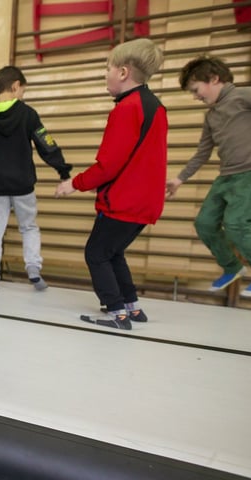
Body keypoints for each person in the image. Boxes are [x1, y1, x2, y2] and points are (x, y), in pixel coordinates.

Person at [55, 38, 167, 330]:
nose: (106, 75)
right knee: (112, 252)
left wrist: (74, 184)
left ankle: (116, 313)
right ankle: (132, 306)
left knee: (96, 253)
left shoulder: (127, 108)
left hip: (125, 202)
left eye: (108, 69)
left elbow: (110, 163)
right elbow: (139, 159)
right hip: (145, 200)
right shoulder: (156, 106)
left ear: (123, 72)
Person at [0, 66, 72, 292]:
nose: (22, 95)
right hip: (23, 185)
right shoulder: (28, 115)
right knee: (29, 227)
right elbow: (46, 143)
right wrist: (62, 170)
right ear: (15, 86)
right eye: (22, 90)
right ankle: (33, 267)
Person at [166, 55, 251, 298]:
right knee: (205, 223)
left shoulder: (244, 96)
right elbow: (203, 152)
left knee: (237, 223)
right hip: (227, 177)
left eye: (196, 90)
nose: (196, 96)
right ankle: (232, 266)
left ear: (214, 79)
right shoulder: (211, 116)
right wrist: (179, 179)